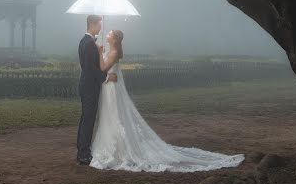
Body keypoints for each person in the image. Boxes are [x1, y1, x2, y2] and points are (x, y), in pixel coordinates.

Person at [90, 29, 244, 172]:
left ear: (114, 39)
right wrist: (103, 53)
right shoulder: (113, 51)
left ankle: (119, 147)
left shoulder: (114, 52)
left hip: (111, 88)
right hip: (109, 86)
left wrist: (98, 52)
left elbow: (103, 68)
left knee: (113, 114)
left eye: (110, 33)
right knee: (110, 114)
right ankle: (116, 144)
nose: (107, 34)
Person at [76, 14, 117, 165]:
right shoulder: (89, 44)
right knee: (88, 120)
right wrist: (106, 77)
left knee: (85, 119)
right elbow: (90, 69)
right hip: (89, 87)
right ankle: (84, 154)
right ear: (92, 24)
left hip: (86, 85)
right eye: (100, 24)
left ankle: (82, 151)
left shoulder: (85, 42)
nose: (101, 27)